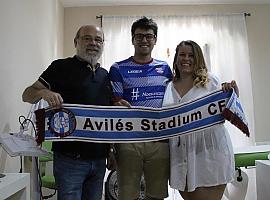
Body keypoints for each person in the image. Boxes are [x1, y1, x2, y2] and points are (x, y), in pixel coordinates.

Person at [22, 25, 113, 200]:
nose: (93, 43)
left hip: (99, 159)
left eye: (98, 39)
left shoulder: (105, 75)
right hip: (69, 159)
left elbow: (107, 119)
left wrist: (111, 151)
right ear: (76, 42)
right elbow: (27, 94)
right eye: (87, 38)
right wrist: (44, 92)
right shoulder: (60, 67)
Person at [162, 40, 237, 200]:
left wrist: (233, 93)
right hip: (179, 155)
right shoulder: (168, 86)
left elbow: (230, 111)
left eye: (191, 55)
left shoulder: (211, 81)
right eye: (182, 54)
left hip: (208, 152)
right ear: (176, 58)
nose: (186, 59)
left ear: (198, 59)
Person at [109, 17, 173, 200]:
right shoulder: (118, 68)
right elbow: (116, 102)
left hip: (159, 141)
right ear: (132, 39)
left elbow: (174, 98)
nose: (144, 40)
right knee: (127, 195)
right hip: (129, 141)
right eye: (139, 36)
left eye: (148, 36)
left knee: (157, 195)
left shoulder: (165, 68)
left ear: (155, 40)